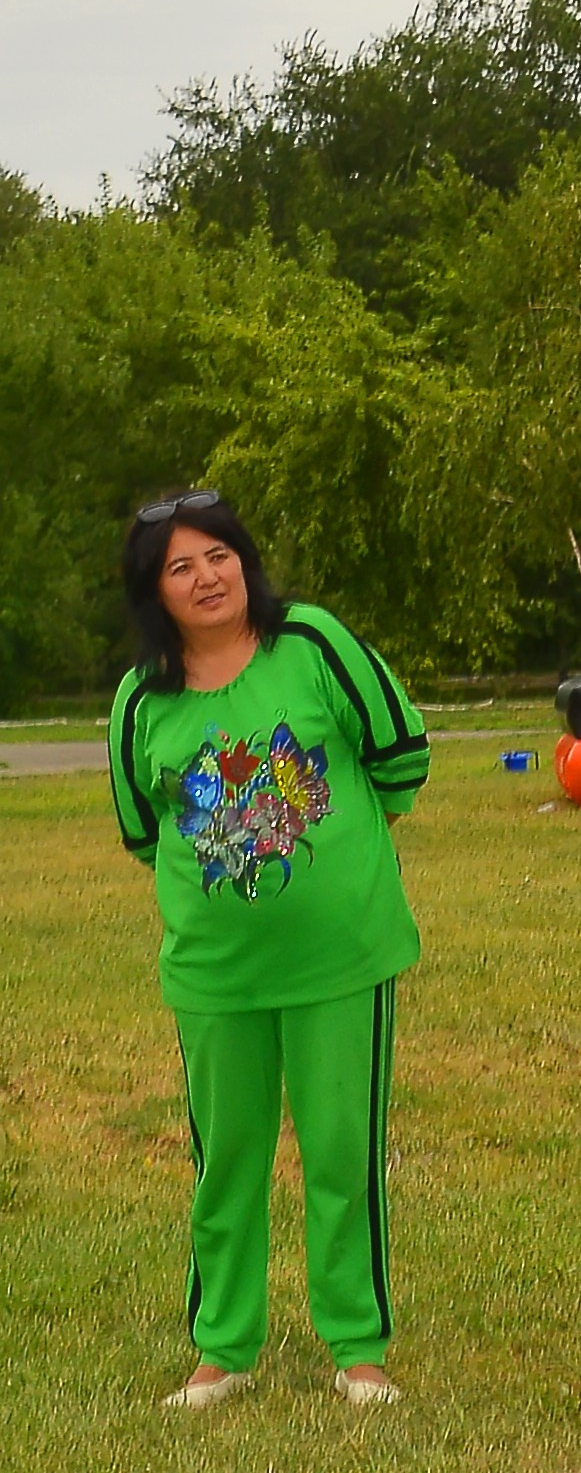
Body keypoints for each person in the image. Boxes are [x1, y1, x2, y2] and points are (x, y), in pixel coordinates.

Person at [106, 491, 430, 1411]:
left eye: (218, 555)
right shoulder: (140, 702)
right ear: (153, 593)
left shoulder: (315, 645)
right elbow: (144, 828)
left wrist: (340, 862)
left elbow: (400, 757)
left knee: (340, 1152)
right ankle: (223, 1348)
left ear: (245, 560)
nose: (206, 577)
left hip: (342, 961)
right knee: (228, 1158)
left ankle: (356, 1347)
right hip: (217, 976)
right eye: (179, 566)